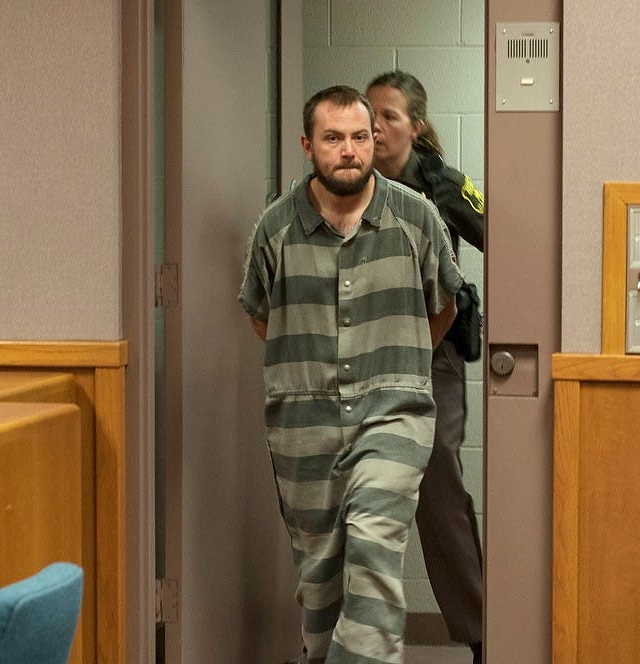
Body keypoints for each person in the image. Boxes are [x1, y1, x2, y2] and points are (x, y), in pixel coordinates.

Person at [239, 85, 464, 664]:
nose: (349, 151)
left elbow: (444, 306)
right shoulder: (276, 229)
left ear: (375, 141)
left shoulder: (416, 218)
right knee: (320, 581)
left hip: (394, 412)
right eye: (333, 139)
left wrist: (401, 359)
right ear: (308, 145)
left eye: (359, 137)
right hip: (302, 422)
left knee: (373, 547)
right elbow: (263, 315)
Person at [366, 71, 485, 664]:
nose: (377, 126)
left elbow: (510, 237)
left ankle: (481, 633)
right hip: (362, 354)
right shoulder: (343, 180)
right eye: (371, 114)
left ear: (415, 125)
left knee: (439, 486)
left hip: (432, 353)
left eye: (389, 116)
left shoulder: (444, 185)